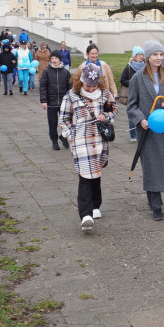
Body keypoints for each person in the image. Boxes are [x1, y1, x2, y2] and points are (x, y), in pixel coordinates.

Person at [58, 63, 116, 232]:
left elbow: (114, 109)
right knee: (85, 176)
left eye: (94, 85)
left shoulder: (105, 93)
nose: (91, 89)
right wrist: (69, 133)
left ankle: (95, 205)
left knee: (95, 174)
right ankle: (85, 215)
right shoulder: (71, 96)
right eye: (87, 85)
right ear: (80, 81)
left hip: (99, 141)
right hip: (80, 141)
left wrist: (105, 115)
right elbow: (63, 119)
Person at [127, 40, 164, 221]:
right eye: (154, 55)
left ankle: (155, 197)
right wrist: (140, 119)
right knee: (151, 165)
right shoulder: (137, 78)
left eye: (160, 54)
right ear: (148, 57)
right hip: (147, 129)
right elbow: (131, 105)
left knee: (163, 162)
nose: (158, 57)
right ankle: (155, 205)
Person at [40, 51, 73, 150]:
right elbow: (43, 87)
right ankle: (54, 141)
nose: (54, 60)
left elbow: (70, 88)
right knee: (53, 123)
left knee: (67, 123)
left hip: (64, 103)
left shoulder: (66, 72)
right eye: (52, 58)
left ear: (60, 59)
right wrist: (43, 101)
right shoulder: (46, 72)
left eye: (56, 58)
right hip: (51, 102)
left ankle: (64, 137)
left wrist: (71, 101)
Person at [121, 47, 147, 141]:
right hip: (132, 94)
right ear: (134, 56)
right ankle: (133, 135)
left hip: (144, 94)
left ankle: (143, 132)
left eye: (142, 54)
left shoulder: (146, 66)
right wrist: (132, 83)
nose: (140, 56)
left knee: (143, 114)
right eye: (138, 54)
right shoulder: (129, 67)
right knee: (132, 114)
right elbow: (123, 80)